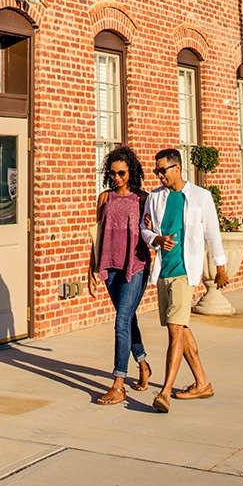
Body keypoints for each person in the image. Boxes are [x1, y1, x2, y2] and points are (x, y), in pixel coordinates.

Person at [141, 148, 227, 413]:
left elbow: (212, 233)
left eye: (162, 170)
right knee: (181, 327)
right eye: (156, 171)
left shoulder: (200, 197)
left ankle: (164, 392)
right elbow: (144, 229)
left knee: (175, 330)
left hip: (184, 272)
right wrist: (155, 238)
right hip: (163, 271)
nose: (158, 175)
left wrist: (220, 266)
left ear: (177, 168)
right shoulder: (155, 198)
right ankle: (202, 383)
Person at [88, 146, 152, 405]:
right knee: (128, 319)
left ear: (131, 172)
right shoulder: (105, 198)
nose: (117, 178)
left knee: (120, 320)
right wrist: (91, 267)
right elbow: (97, 235)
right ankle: (143, 362)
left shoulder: (143, 198)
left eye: (122, 173)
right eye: (112, 173)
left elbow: (152, 232)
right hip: (110, 265)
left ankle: (118, 383)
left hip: (135, 266)